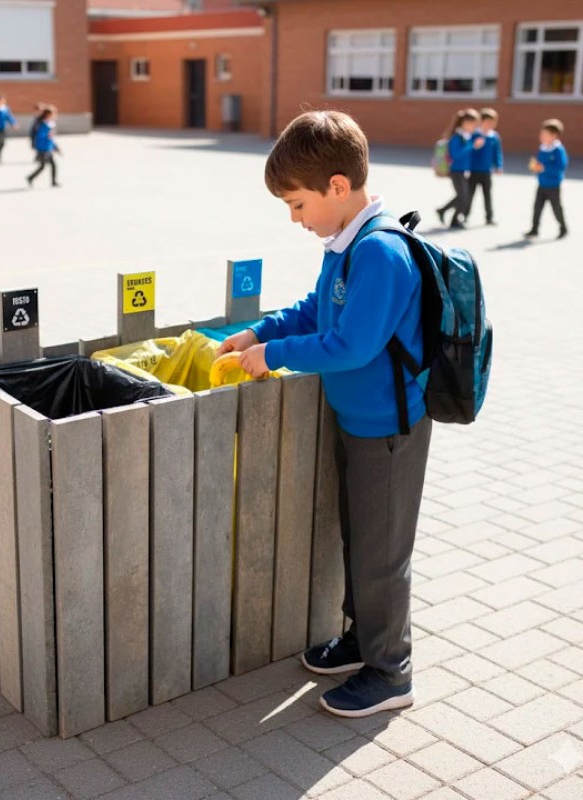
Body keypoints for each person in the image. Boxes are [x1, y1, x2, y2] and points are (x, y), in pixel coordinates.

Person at [216, 110, 432, 718]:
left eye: (297, 204)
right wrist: (257, 330)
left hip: (389, 430)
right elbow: (318, 310)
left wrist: (271, 354)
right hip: (358, 421)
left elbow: (350, 346)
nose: (295, 219)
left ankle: (391, 672)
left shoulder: (382, 252)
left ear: (338, 187)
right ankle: (363, 641)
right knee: (361, 541)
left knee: (382, 554)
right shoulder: (346, 244)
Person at [436, 108, 485, 229]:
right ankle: (453, 219)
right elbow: (456, 155)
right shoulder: (457, 137)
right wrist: (472, 146)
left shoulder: (466, 136)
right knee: (463, 196)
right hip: (456, 170)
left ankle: (443, 211)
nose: (474, 127)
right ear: (464, 123)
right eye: (472, 124)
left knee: (463, 196)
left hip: (463, 170)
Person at [525, 118, 568, 239]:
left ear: (554, 136)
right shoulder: (542, 148)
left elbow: (561, 166)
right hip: (542, 183)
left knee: (556, 207)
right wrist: (535, 167)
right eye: (541, 134)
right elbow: (539, 163)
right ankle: (534, 229)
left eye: (545, 134)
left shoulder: (558, 150)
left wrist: (543, 167)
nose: (542, 136)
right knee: (537, 207)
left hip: (553, 184)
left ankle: (563, 227)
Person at [468, 108, 503, 225]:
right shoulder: (475, 134)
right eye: (487, 122)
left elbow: (497, 153)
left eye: (492, 123)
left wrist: (498, 165)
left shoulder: (494, 136)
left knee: (487, 195)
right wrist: (475, 146)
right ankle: (465, 215)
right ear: (481, 121)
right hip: (474, 170)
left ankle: (489, 217)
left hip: (487, 171)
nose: (490, 125)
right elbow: (469, 151)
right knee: (469, 195)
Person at [26, 106, 62, 188]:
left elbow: (51, 139)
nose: (55, 115)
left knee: (53, 165)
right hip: (43, 148)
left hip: (48, 148)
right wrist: (48, 135)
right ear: (48, 115)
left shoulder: (50, 124)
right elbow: (40, 136)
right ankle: (30, 178)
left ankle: (53, 182)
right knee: (43, 166)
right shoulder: (41, 124)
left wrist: (55, 147)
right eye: (54, 114)